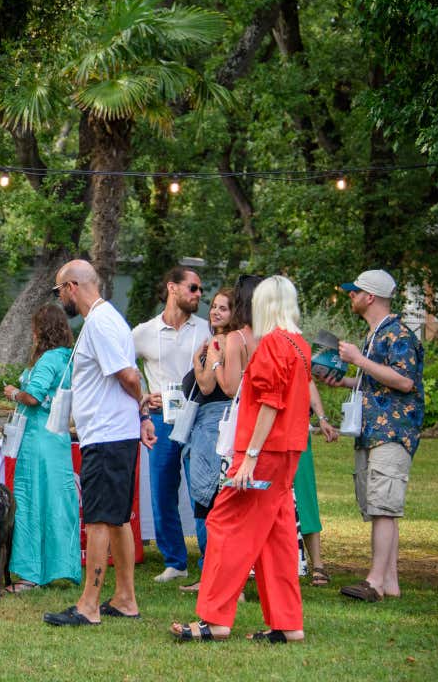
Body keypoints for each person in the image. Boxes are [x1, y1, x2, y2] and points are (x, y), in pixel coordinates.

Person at [170, 275, 311, 643]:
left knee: (224, 524)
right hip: (287, 452)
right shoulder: (298, 344)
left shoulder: (273, 345)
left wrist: (249, 456)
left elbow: (269, 403)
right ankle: (287, 623)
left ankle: (214, 620)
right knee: (275, 535)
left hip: (263, 452)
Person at [44, 260, 155, 627]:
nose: (60, 297)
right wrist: (139, 417)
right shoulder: (107, 319)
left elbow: (127, 373)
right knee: (119, 518)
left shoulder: (100, 323)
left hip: (107, 437)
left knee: (98, 520)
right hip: (113, 434)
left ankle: (89, 604)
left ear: (72, 286)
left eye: (60, 290)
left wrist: (140, 405)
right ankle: (125, 598)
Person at [328, 269, 424, 602]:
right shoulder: (376, 334)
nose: (350, 296)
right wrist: (346, 380)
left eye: (354, 292)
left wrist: (357, 360)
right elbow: (381, 381)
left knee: (384, 507)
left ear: (370, 297)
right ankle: (390, 583)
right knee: (381, 507)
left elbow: (404, 381)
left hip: (392, 431)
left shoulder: (397, 334)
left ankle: (374, 582)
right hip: (375, 429)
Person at [132, 266, 211, 583]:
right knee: (162, 491)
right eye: (193, 288)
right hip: (162, 421)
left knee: (202, 490)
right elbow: (120, 366)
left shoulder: (206, 330)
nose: (199, 295)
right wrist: (141, 396)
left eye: (200, 290)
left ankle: (210, 562)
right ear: (172, 288)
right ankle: (175, 561)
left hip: (198, 416)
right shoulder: (144, 332)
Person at [1, 304, 82, 592]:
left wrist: (13, 392)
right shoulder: (66, 358)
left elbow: (33, 397)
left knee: (31, 502)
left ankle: (29, 573)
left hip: (37, 439)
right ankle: (62, 565)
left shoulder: (47, 360)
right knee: (57, 503)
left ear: (40, 331)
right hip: (58, 438)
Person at [175, 287, 235, 592]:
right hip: (229, 425)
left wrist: (201, 360)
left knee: (208, 501)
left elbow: (207, 385)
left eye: (224, 308)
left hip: (211, 428)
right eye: (214, 306)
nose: (215, 312)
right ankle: (217, 575)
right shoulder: (239, 342)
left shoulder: (217, 342)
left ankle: (213, 577)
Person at [296, 384, 338, 586]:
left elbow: (308, 381)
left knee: (304, 496)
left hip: (295, 429)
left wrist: (321, 418)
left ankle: (318, 565)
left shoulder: (298, 351)